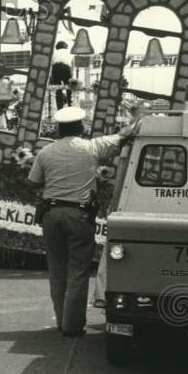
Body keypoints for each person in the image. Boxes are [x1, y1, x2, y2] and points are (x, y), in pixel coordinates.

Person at [27, 106, 137, 336]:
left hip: (51, 215)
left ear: (58, 128)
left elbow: (34, 182)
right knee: (78, 270)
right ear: (80, 127)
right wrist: (140, 116)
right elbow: (124, 135)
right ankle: (72, 325)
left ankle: (61, 320)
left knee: (57, 270)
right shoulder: (92, 147)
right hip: (79, 216)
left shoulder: (45, 152)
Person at [50, 42, 74, 110]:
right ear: (65, 47)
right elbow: (72, 64)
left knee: (58, 90)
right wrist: (71, 77)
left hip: (56, 68)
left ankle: (59, 108)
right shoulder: (69, 52)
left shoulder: (54, 52)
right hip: (66, 68)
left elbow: (51, 64)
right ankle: (70, 106)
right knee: (69, 89)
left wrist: (52, 77)